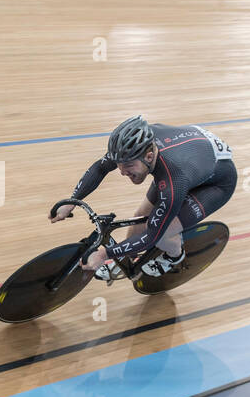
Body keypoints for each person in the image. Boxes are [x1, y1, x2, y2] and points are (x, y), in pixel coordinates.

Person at [51, 115, 236, 281]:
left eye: (129, 165)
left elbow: (151, 236)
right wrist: (71, 202)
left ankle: (174, 256)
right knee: (140, 215)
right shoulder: (132, 147)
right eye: (119, 165)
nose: (122, 172)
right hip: (192, 158)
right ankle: (126, 260)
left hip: (216, 183)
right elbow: (100, 168)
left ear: (149, 156)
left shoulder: (173, 180)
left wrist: (104, 254)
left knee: (163, 233)